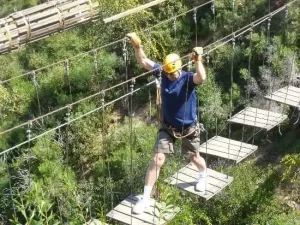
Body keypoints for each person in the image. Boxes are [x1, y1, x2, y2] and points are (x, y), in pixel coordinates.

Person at [126, 32, 208, 215]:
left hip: (188, 129)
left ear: (180, 68)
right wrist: (137, 45)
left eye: (173, 73)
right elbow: (144, 61)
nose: (171, 76)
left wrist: (197, 60)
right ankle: (145, 198)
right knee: (157, 160)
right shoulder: (163, 72)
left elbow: (201, 77)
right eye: (169, 73)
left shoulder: (187, 78)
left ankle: (203, 175)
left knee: (194, 158)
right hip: (168, 127)